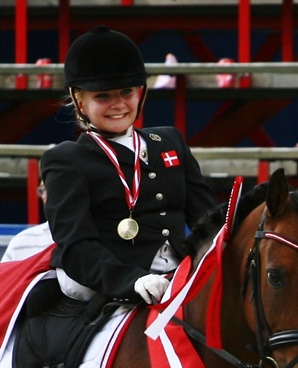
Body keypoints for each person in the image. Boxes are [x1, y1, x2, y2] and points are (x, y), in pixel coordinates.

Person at [40, 25, 217, 306]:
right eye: (103, 96)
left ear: (141, 93)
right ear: (80, 101)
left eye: (126, 92)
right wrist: (130, 281)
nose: (118, 104)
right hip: (105, 284)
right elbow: (76, 247)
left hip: (179, 274)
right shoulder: (66, 160)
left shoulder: (170, 141)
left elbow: (208, 221)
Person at [1, 181, 54, 262]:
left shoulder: (80, 241)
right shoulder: (20, 242)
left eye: (51, 188)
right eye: (43, 190)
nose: (45, 196)